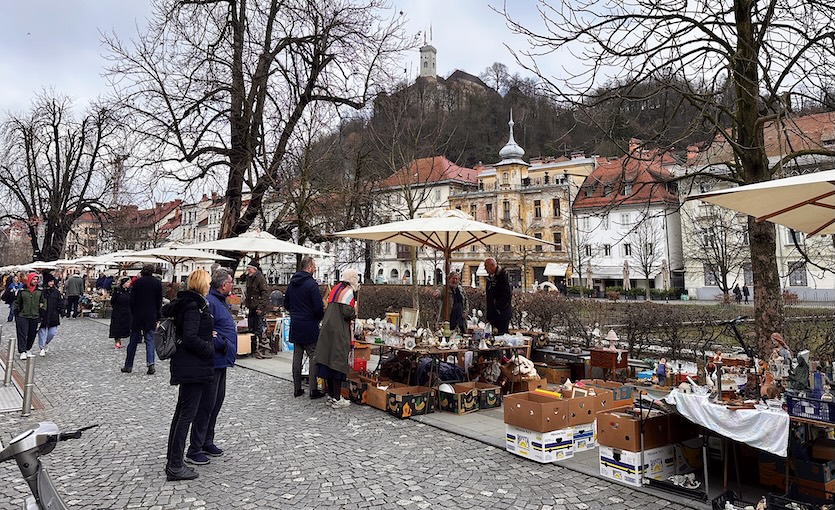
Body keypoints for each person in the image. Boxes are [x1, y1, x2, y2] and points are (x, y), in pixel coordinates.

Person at [162, 269, 215, 481]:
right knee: (186, 415)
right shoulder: (194, 306)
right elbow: (190, 337)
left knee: (182, 413)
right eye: (208, 282)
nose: (210, 285)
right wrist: (209, 347)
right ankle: (175, 464)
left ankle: (173, 459)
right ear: (202, 284)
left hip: (189, 365)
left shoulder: (189, 304)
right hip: (193, 366)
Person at [187, 268, 237, 463]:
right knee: (207, 404)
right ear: (224, 284)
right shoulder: (212, 303)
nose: (232, 285)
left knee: (216, 402)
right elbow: (205, 331)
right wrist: (221, 343)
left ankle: (207, 440)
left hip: (221, 360)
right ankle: (195, 447)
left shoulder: (219, 301)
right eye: (231, 282)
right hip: (213, 359)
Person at [314, 269, 359, 409]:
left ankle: (331, 396)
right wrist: (355, 309)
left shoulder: (335, 289)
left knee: (327, 363)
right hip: (339, 331)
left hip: (328, 329)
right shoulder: (348, 291)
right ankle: (337, 398)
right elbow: (347, 312)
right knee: (337, 363)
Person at [283, 256, 325, 398]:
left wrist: (295, 312)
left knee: (297, 356)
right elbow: (318, 307)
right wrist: (318, 318)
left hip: (296, 323)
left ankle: (297, 388)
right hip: (309, 324)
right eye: (314, 266)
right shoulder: (311, 284)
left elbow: (286, 303)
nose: (315, 268)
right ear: (309, 267)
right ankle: (313, 389)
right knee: (313, 355)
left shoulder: (292, 283)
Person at [122, 265, 162, 375]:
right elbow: (159, 301)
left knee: (133, 340)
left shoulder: (137, 283)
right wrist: (158, 316)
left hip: (138, 315)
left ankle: (128, 365)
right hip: (151, 314)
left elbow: (132, 300)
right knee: (149, 340)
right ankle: (151, 364)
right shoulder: (157, 283)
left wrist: (133, 312)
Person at [244, 259, 272, 359]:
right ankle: (253, 349)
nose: (247, 270)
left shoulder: (260, 278)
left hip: (258, 308)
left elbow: (265, 293)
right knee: (251, 329)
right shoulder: (249, 278)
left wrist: (260, 307)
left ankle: (261, 350)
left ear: (254, 269)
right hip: (251, 307)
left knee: (259, 329)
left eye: (249, 268)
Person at [13, 273, 45, 359]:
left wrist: (42, 309)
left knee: (32, 333)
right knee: (22, 334)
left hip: (35, 315)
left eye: (36, 279)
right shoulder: (22, 291)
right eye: (34, 279)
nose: (35, 281)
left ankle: (28, 349)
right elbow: (17, 302)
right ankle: (22, 351)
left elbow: (43, 301)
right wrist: (16, 311)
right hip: (23, 315)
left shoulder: (39, 291)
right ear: (30, 280)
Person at [484, 257, 512, 335]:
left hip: (501, 315)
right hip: (494, 315)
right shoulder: (491, 278)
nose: (485, 268)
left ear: (492, 265)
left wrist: (497, 307)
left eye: (486, 266)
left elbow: (507, 295)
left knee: (501, 337)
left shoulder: (502, 276)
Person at [37, 273, 62, 356]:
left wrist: (62, 310)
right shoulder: (41, 292)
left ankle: (45, 343)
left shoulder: (56, 292)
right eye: (50, 281)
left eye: (52, 281)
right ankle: (42, 347)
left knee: (52, 332)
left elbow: (60, 302)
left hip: (53, 314)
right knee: (42, 332)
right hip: (43, 314)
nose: (52, 283)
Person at [109, 276, 132, 349]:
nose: (129, 284)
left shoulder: (130, 291)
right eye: (127, 282)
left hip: (127, 310)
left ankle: (122, 337)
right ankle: (117, 340)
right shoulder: (117, 290)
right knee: (117, 326)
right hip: (118, 310)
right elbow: (113, 301)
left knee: (125, 326)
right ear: (123, 283)